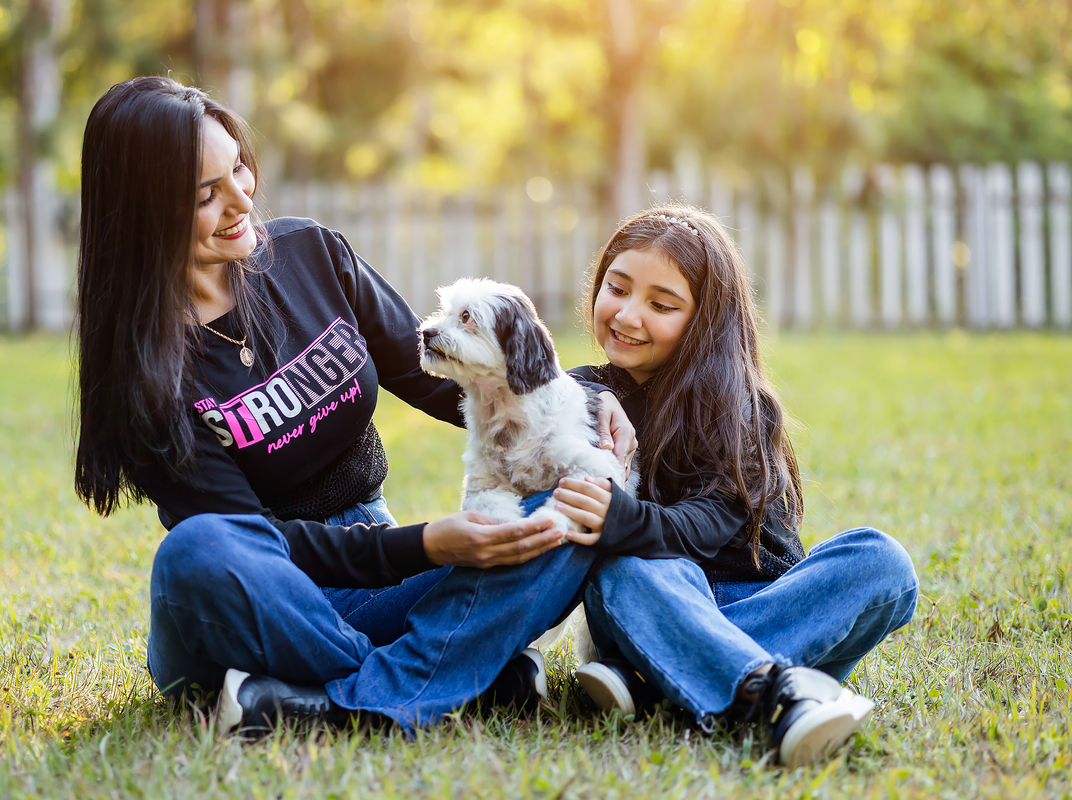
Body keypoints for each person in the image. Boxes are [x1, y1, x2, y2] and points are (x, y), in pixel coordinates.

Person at [73, 76, 635, 732]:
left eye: (238, 169)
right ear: (145, 211)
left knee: (578, 503)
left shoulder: (312, 256)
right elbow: (253, 543)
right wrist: (425, 545)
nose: (241, 199)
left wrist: (591, 396)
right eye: (206, 195)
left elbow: (443, 376)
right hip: (262, 599)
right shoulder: (144, 372)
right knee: (194, 551)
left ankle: (331, 702)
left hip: (377, 568)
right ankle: (434, 677)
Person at [550, 205, 919, 767]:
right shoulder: (582, 394)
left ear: (704, 319)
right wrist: (593, 401)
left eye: (661, 304)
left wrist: (627, 519)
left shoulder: (738, 406)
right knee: (623, 568)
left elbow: (713, 519)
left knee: (882, 561)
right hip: (657, 601)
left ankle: (661, 682)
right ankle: (780, 694)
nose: (627, 315)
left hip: (764, 600)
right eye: (616, 288)